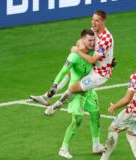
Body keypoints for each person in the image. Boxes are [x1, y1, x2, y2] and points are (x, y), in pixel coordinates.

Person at [35, 29, 105, 159]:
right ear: (83, 40)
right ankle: (63, 148)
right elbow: (63, 71)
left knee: (95, 115)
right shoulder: (74, 56)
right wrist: (54, 85)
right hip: (76, 91)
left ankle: (96, 145)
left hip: (88, 90)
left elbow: (102, 59)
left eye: (93, 40)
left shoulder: (92, 51)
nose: (92, 42)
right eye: (89, 40)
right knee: (77, 120)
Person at [46, 10, 115, 114]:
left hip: (99, 74)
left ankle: (55, 106)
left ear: (103, 21)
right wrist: (79, 46)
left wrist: (77, 50)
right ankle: (51, 93)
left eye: (96, 21)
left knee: (74, 88)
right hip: (92, 67)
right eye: (92, 19)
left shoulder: (105, 39)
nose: (93, 23)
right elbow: (81, 40)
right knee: (71, 71)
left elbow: (92, 59)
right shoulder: (94, 31)